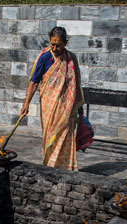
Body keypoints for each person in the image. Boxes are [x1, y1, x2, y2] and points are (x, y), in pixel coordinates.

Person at [20, 26, 85, 171]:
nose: (55, 48)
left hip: (67, 109)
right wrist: (26, 103)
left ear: (65, 43)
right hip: (50, 107)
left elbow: (76, 84)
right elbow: (34, 82)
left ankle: (65, 168)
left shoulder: (71, 59)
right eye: (52, 44)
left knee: (65, 136)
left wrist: (78, 108)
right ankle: (50, 166)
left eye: (58, 45)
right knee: (51, 135)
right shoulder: (44, 57)